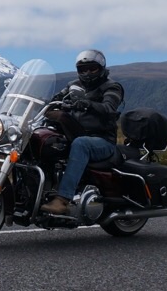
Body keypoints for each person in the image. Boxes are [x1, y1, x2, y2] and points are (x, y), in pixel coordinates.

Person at [41, 49, 124, 214]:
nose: (87, 73)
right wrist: (41, 102)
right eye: (82, 69)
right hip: (75, 134)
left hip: (102, 140)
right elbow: (56, 99)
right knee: (43, 138)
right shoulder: (73, 85)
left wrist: (88, 104)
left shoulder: (112, 87)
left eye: (91, 68)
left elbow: (109, 107)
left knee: (81, 144)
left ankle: (62, 200)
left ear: (100, 68)